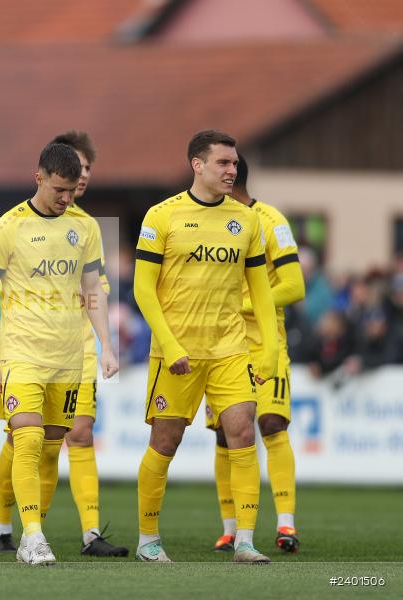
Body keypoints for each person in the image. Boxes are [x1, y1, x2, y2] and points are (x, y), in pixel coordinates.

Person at [133, 130, 277, 563]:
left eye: (234, 164)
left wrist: (267, 349)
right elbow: (143, 289)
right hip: (176, 353)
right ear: (197, 165)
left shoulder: (247, 221)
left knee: (241, 429)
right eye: (223, 163)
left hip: (230, 348)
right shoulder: (162, 216)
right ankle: (147, 540)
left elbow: (262, 292)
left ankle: (245, 540)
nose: (232, 170)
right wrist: (170, 344)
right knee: (166, 440)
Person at [0, 143, 118, 565]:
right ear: (39, 178)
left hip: (69, 358)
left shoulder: (85, 227)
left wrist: (106, 346)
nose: (66, 198)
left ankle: (29, 532)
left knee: (52, 447)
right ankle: (32, 535)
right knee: (28, 437)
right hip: (21, 354)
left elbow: (93, 292)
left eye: (72, 190)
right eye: (59, 189)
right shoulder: (9, 227)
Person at [204, 155, 305, 554]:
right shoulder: (207, 221)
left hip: (265, 343)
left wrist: (245, 304)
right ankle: (230, 529)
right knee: (226, 437)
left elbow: (294, 286)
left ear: (232, 177)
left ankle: (286, 526)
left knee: (272, 424)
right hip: (221, 346)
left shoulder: (271, 220)